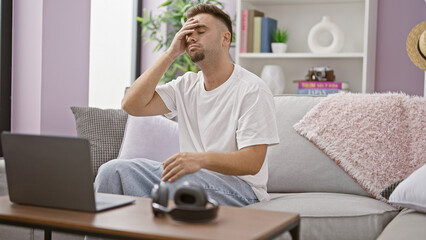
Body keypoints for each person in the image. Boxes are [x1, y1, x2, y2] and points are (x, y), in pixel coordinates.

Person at [95, 4, 279, 207]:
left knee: (178, 184)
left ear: (225, 38)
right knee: (111, 171)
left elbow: (252, 162)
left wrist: (199, 160)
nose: (191, 37)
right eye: (188, 33)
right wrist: (171, 53)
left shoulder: (251, 89)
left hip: (242, 189)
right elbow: (132, 105)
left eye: (200, 31)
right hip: (193, 179)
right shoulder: (186, 85)